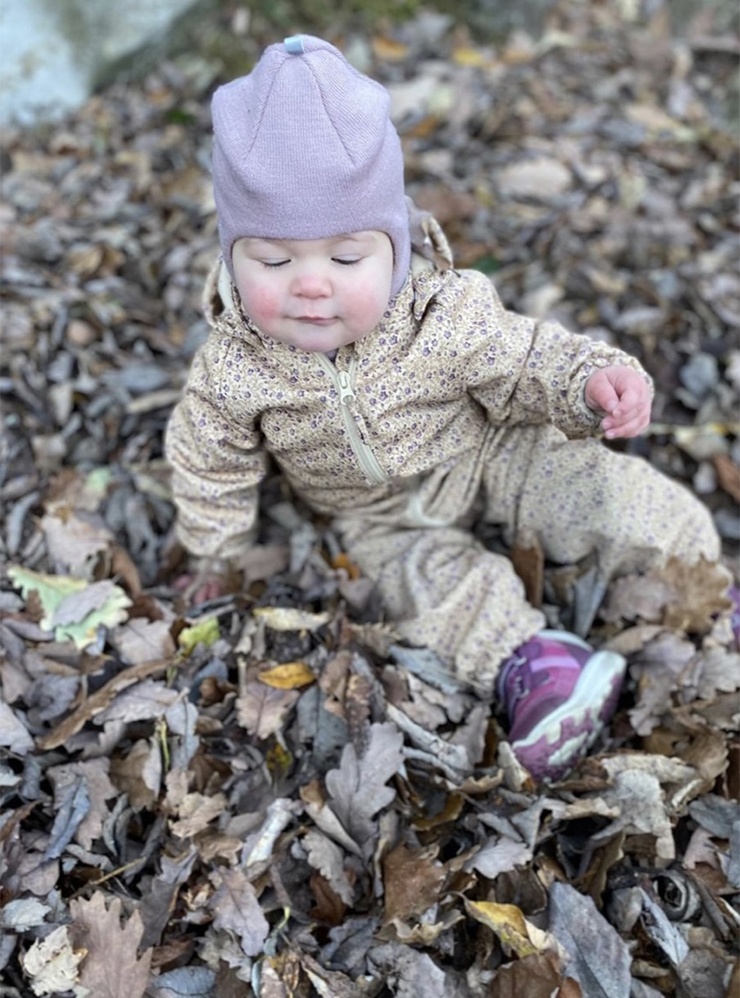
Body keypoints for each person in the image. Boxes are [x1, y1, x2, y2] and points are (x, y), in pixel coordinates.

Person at [165, 35, 723, 781]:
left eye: (344, 257)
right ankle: (541, 668)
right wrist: (214, 552)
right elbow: (209, 460)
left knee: (599, 495)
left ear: (394, 248)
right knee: (418, 589)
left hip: (492, 450)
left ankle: (711, 582)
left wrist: (592, 382)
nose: (310, 284)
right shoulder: (234, 368)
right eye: (272, 260)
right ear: (232, 258)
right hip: (373, 510)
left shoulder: (442, 313)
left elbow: (526, 358)